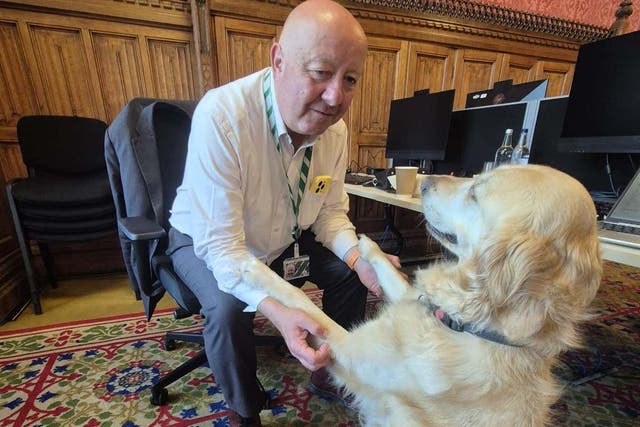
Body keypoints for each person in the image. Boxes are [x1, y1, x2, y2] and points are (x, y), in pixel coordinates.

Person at [167, 0, 401, 424]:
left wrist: (360, 258)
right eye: (320, 72)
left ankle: (333, 372)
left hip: (287, 235)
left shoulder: (336, 131)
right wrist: (281, 309)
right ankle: (244, 411)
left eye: (350, 79)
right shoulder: (224, 116)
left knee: (351, 273)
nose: (335, 97)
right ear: (278, 60)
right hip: (207, 240)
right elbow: (223, 249)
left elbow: (329, 214)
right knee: (226, 306)